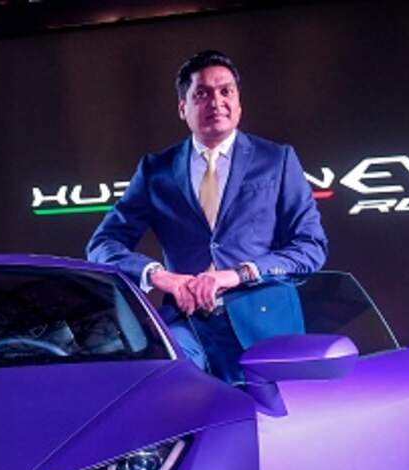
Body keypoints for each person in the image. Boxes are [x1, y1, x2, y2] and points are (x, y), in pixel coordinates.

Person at [87, 50, 327, 383]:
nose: (216, 102)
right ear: (182, 107)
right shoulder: (156, 170)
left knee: (262, 415)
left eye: (226, 91)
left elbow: (311, 247)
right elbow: (103, 244)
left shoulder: (277, 160)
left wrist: (239, 274)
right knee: (172, 395)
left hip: (264, 324)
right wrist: (160, 277)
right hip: (186, 323)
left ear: (239, 102)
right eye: (202, 94)